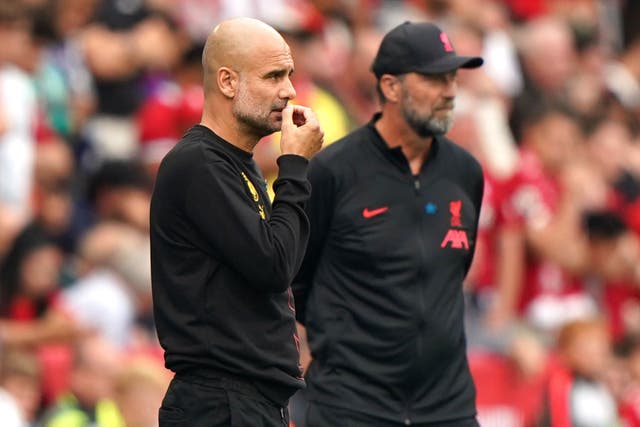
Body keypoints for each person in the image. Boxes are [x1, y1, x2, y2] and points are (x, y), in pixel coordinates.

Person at [292, 21, 484, 426]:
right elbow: (297, 279)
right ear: (391, 87)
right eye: (434, 79)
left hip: (448, 408)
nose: (450, 91)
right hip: (352, 406)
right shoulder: (333, 171)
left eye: (452, 78)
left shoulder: (465, 172)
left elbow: (451, 275)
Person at [149, 17, 324, 427]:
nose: (291, 91)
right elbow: (274, 264)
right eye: (274, 76)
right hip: (220, 402)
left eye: (290, 75)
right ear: (227, 82)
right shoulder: (198, 164)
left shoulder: (234, 164)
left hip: (249, 400)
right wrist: (295, 165)